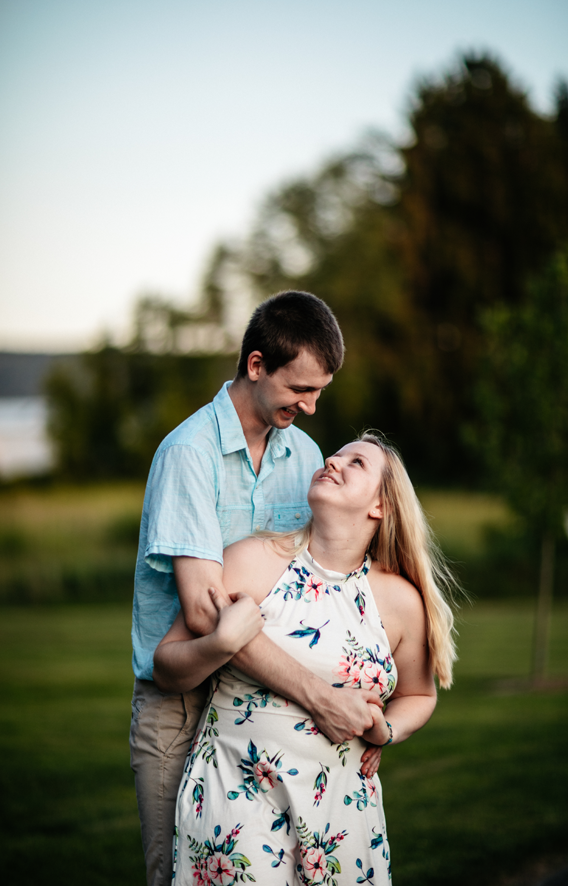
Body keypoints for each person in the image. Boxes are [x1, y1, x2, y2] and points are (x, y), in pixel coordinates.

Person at [129, 291, 378, 886]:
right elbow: (202, 612)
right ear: (258, 365)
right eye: (301, 389)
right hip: (183, 700)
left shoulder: (308, 455)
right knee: (181, 876)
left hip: (268, 714)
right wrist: (321, 697)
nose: (313, 406)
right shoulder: (189, 452)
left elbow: (323, 582)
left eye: (321, 390)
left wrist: (362, 708)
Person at [154, 432, 458, 884]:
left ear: (380, 506)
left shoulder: (398, 601)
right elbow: (167, 666)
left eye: (356, 463)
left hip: (343, 809)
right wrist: (220, 644)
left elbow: (419, 693)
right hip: (240, 798)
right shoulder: (249, 561)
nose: (334, 460)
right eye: (337, 454)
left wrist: (386, 730)